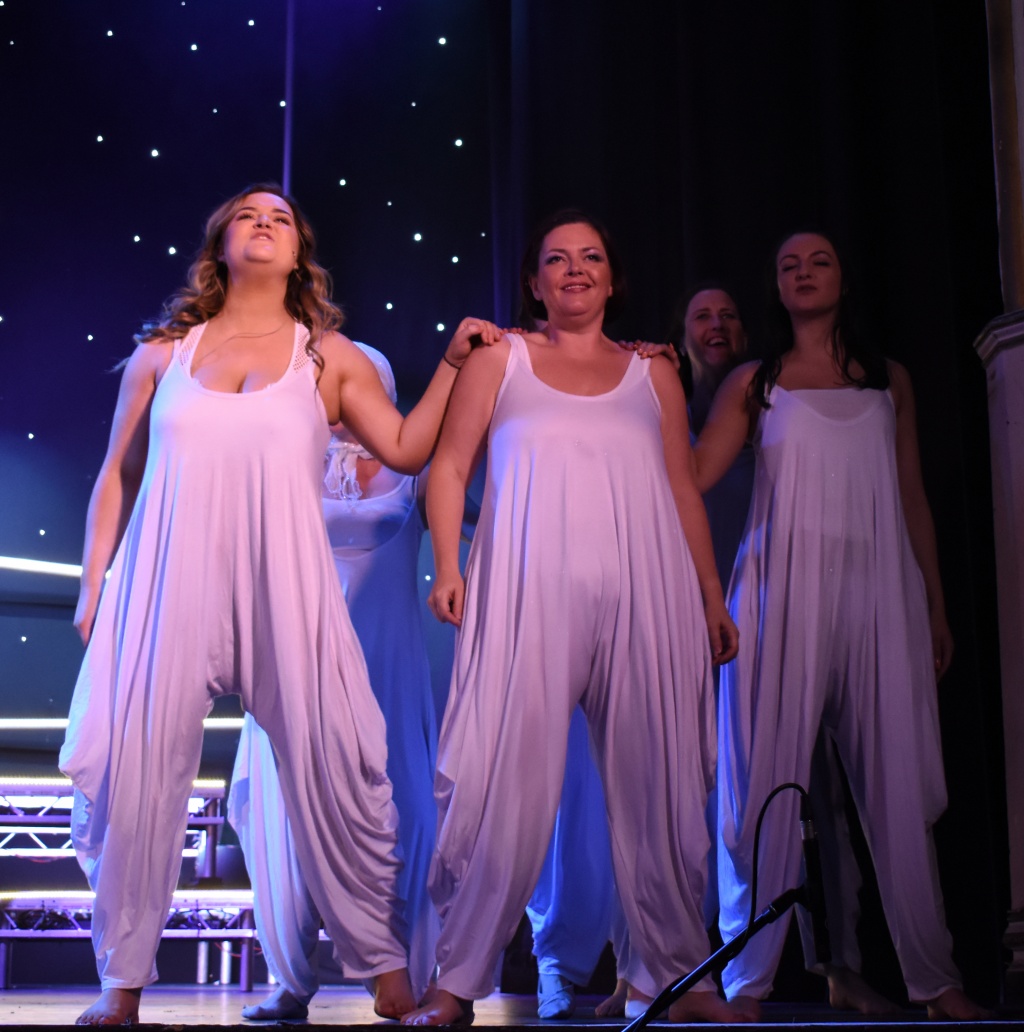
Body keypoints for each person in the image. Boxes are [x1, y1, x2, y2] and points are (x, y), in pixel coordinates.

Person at [60, 182, 501, 1026]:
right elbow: (117, 473)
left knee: (336, 764)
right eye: (247, 215)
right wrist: (93, 584)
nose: (264, 224)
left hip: (286, 583)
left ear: (298, 253)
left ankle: (386, 970)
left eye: (281, 219)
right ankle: (121, 984)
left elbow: (407, 448)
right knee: (137, 773)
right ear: (220, 244)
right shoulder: (165, 355)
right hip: (169, 579)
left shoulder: (325, 357)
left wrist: (450, 366)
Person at [403, 209, 746, 1026]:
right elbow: (448, 467)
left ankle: (682, 980)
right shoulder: (502, 358)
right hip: (526, 590)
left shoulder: (652, 372)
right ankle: (458, 982)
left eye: (591, 256)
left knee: (660, 786)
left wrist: (710, 594)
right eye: (556, 259)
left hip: (648, 590)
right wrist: (448, 565)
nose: (575, 269)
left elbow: (681, 488)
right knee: (502, 784)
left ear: (613, 278)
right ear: (534, 282)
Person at [693, 230, 988, 1021]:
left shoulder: (888, 379)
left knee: (897, 784)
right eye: (788, 264)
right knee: (764, 787)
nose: (803, 272)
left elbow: (912, 494)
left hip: (878, 591)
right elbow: (691, 476)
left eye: (818, 261)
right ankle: (747, 982)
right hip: (777, 592)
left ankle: (935, 976)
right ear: (776, 287)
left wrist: (934, 602)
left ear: (843, 280)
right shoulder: (754, 382)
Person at [227, 341, 440, 1021]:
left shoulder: (416, 470)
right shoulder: (285, 464)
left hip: (385, 664)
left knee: (402, 810)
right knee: (285, 809)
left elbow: (483, 525)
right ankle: (290, 978)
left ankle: (404, 971)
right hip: (296, 659)